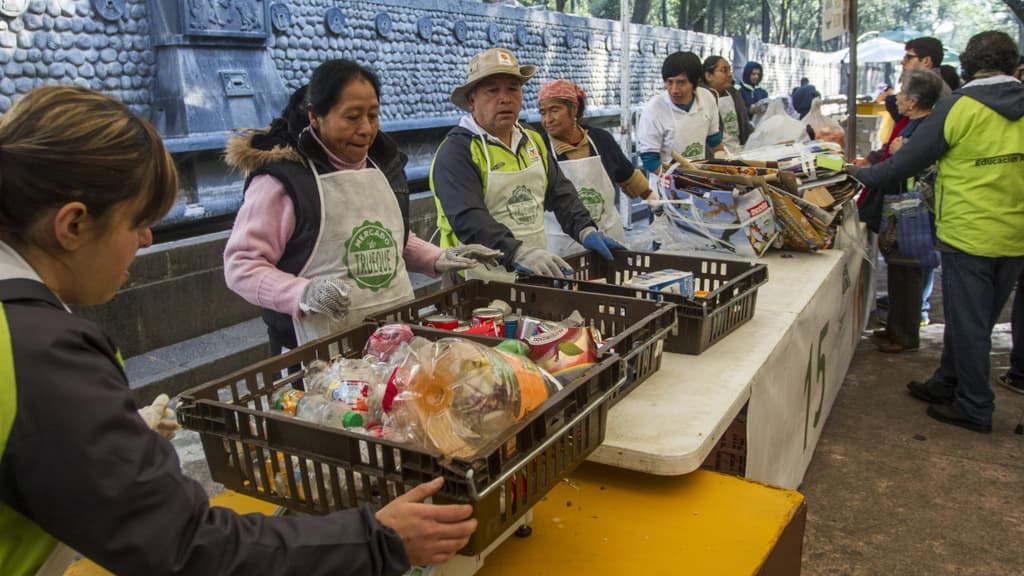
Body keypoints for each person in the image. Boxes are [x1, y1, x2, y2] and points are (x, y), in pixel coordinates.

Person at [0, 85, 477, 575]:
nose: (146, 240)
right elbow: (185, 548)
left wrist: (101, 434)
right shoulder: (43, 355)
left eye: (373, 114)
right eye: (138, 222)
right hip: (319, 357)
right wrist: (377, 541)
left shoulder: (29, 339)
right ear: (72, 225)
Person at [223, 60, 501, 351]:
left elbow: (388, 237)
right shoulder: (283, 181)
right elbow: (241, 265)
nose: (366, 129)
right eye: (352, 117)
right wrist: (302, 293)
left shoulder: (382, 166)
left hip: (393, 342)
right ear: (315, 117)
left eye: (373, 115)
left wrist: (439, 257)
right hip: (316, 353)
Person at [848, 31, 1024, 433]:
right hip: (1016, 233)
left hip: (969, 232)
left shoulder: (959, 108)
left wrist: (858, 173)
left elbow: (903, 164)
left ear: (966, 64)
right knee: (977, 319)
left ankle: (975, 405)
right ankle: (947, 382)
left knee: (969, 325)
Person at [430, 48, 624, 281]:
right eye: (493, 91)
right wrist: (517, 252)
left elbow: (560, 193)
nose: (505, 98)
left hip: (533, 271)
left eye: (513, 89)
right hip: (475, 281)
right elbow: (469, 219)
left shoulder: (532, 139)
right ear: (472, 101)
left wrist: (585, 229)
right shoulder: (456, 152)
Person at [859, 69, 945, 354]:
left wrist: (865, 171)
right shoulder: (912, 123)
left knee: (908, 271)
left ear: (914, 101)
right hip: (901, 208)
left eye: (903, 94)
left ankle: (906, 335)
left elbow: (909, 165)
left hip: (914, 212)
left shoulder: (926, 130)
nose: (898, 98)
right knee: (897, 270)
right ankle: (896, 327)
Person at [536, 79, 650, 255]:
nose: (547, 120)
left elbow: (629, 178)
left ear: (574, 109)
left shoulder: (601, 140)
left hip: (609, 239)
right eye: (543, 113)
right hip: (563, 247)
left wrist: (657, 203)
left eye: (554, 110)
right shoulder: (538, 149)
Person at [638, 51, 723, 175]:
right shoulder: (654, 110)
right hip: (666, 186)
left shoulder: (707, 98)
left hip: (700, 179)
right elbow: (650, 161)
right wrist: (679, 180)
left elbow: (714, 141)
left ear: (696, 82)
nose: (674, 90)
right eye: (670, 82)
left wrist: (723, 167)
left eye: (681, 82)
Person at [700, 55, 753, 152]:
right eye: (724, 70)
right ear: (708, 76)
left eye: (729, 70)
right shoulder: (702, 98)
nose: (729, 74)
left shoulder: (734, 94)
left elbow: (745, 125)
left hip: (739, 151)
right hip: (716, 157)